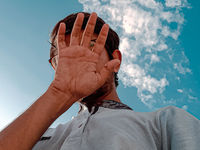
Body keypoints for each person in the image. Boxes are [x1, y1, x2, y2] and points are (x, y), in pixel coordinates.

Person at [0, 12, 199, 150]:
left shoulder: (165, 123)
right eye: (63, 54)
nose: (77, 57)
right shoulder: (35, 137)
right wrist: (59, 93)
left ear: (115, 59)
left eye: (91, 46)